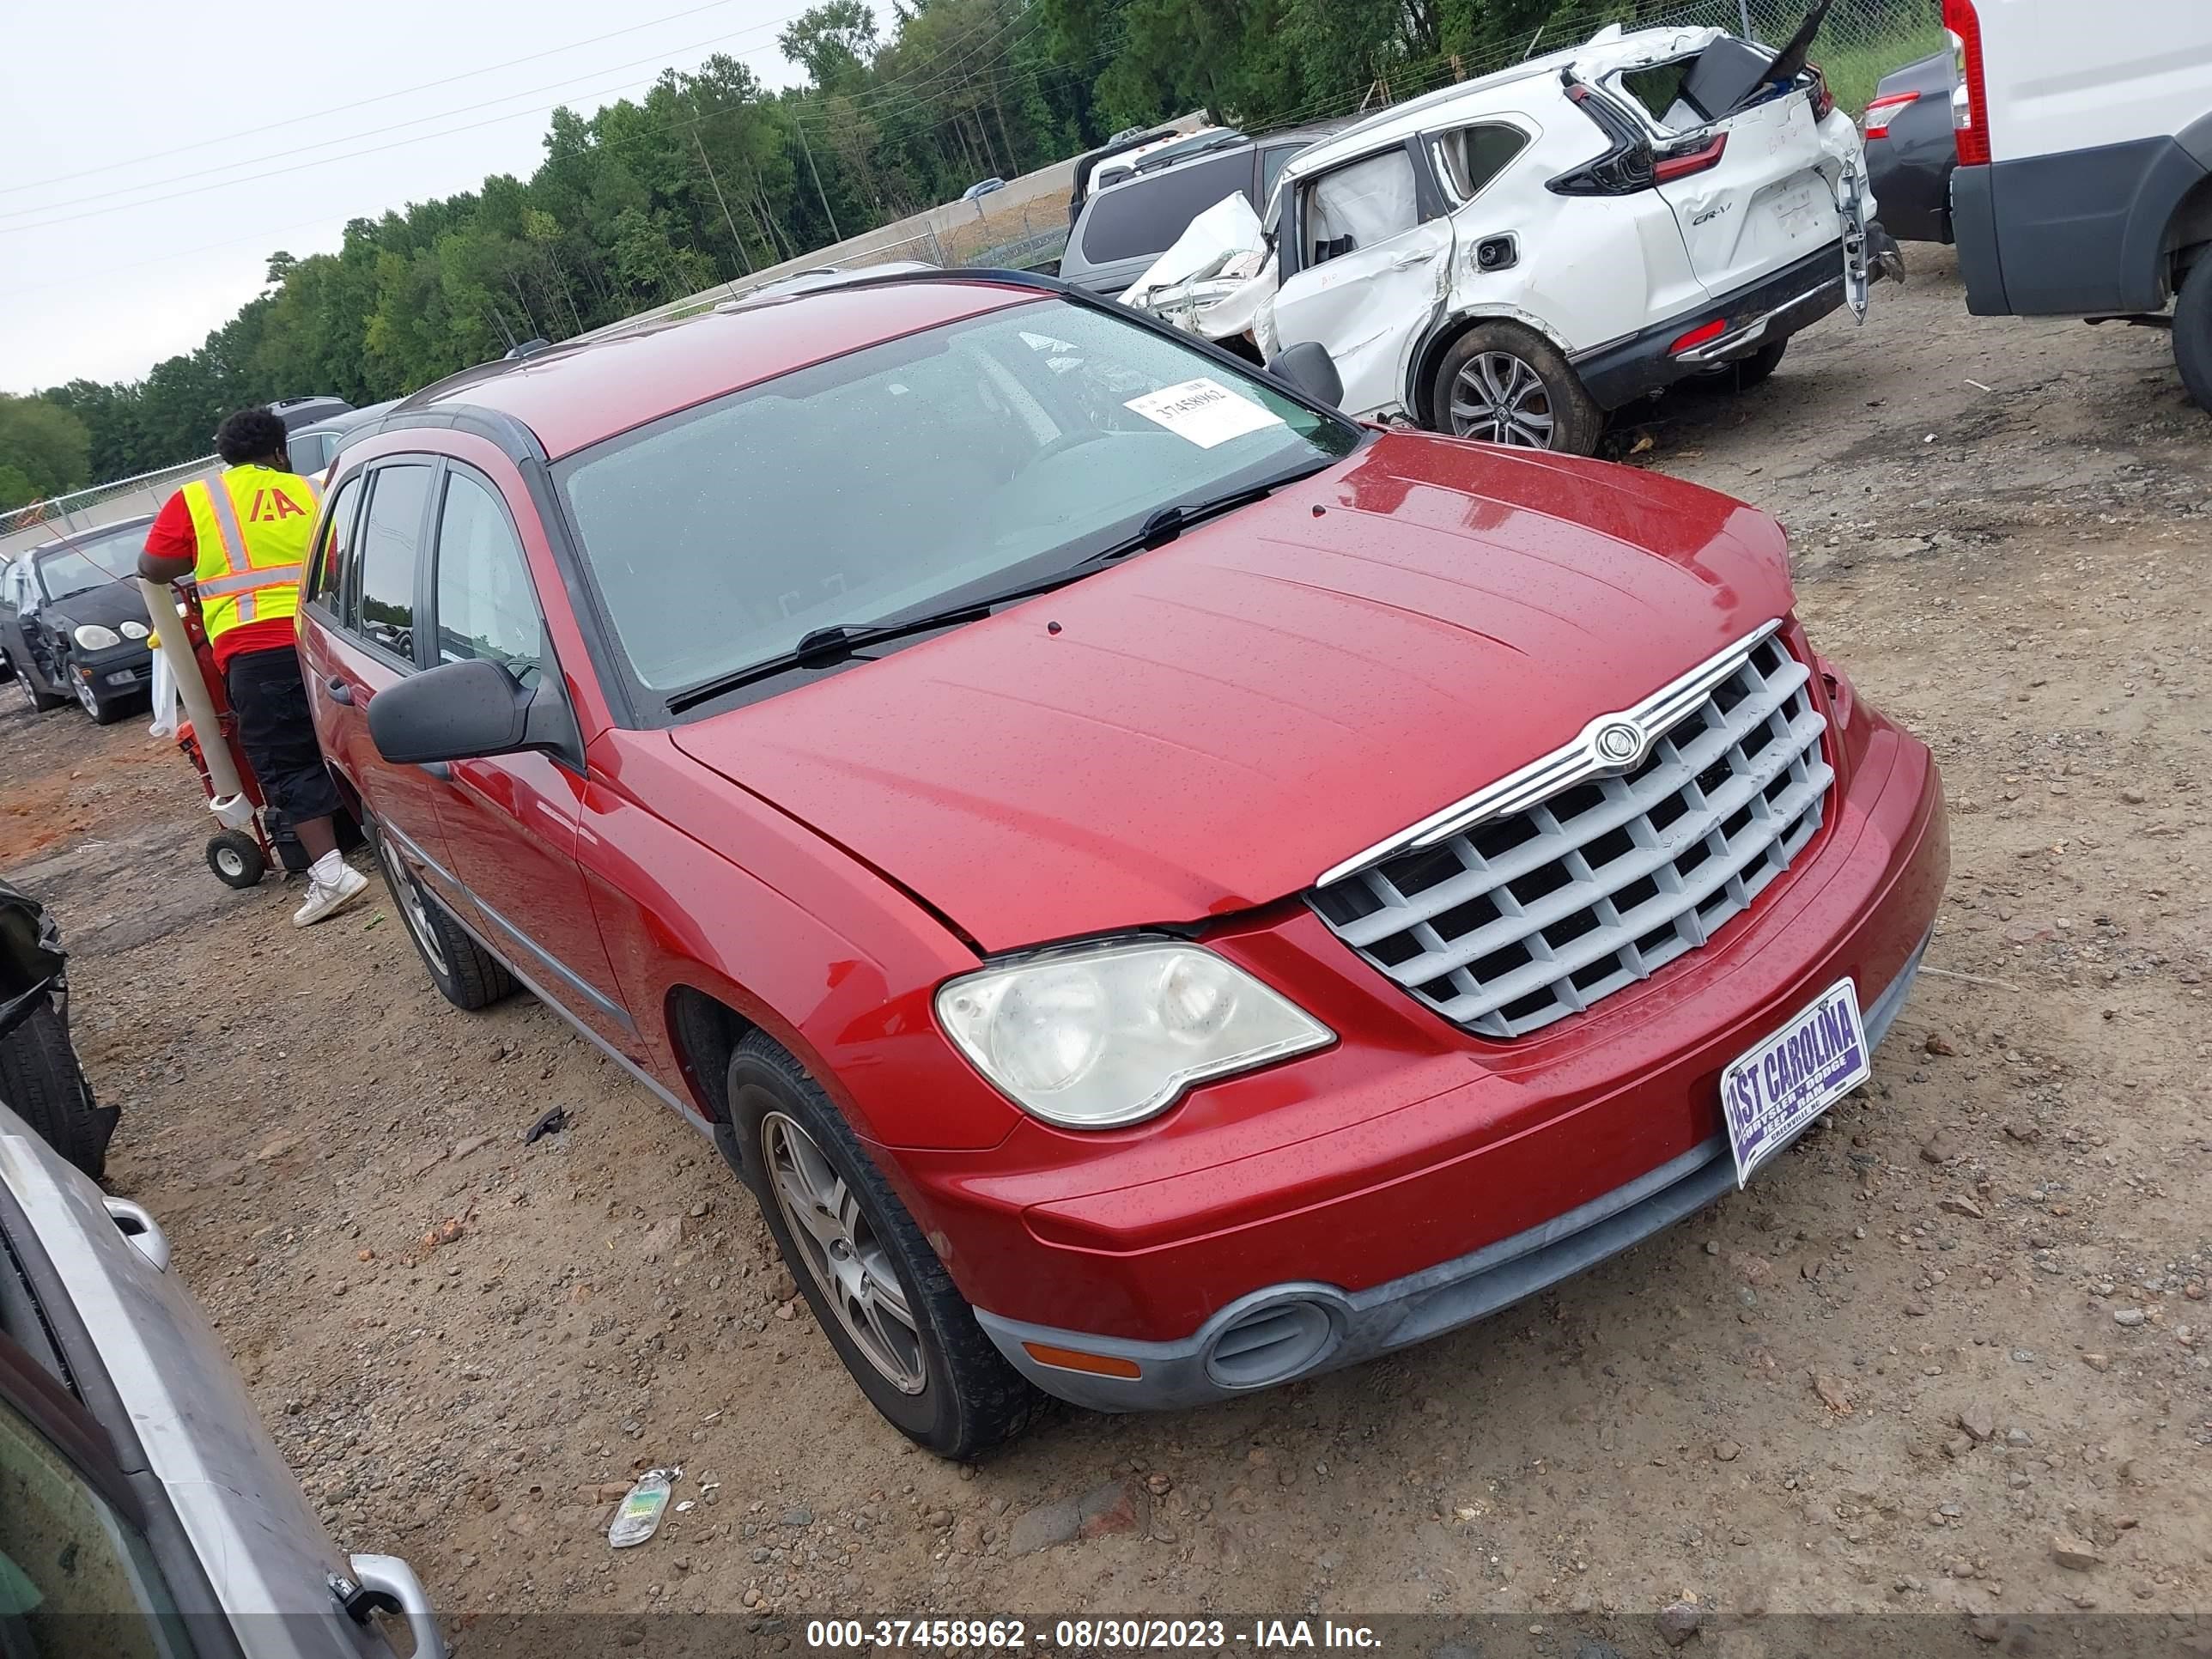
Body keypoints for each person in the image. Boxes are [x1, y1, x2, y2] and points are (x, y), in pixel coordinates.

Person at [139, 408, 368, 926]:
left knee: (283, 760)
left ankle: (331, 875)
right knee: (351, 735)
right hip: (327, 636)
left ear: (225, 456)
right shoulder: (311, 491)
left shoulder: (198, 499)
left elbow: (152, 567)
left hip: (256, 650)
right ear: (280, 451)